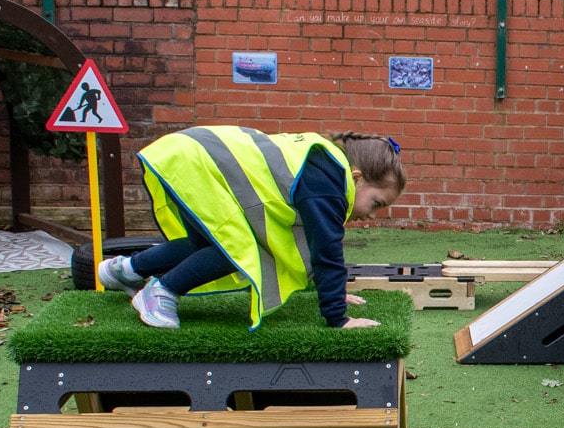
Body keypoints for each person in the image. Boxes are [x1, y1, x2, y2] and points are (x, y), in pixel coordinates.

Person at [96, 127, 405, 330]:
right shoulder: (330, 183)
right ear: (357, 177)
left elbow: (306, 243)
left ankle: (125, 270)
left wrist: (333, 290)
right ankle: (161, 291)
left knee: (208, 244)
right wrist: (338, 316)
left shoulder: (323, 164)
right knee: (236, 248)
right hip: (195, 163)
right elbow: (326, 249)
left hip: (185, 154)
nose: (372, 216)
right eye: (376, 203)